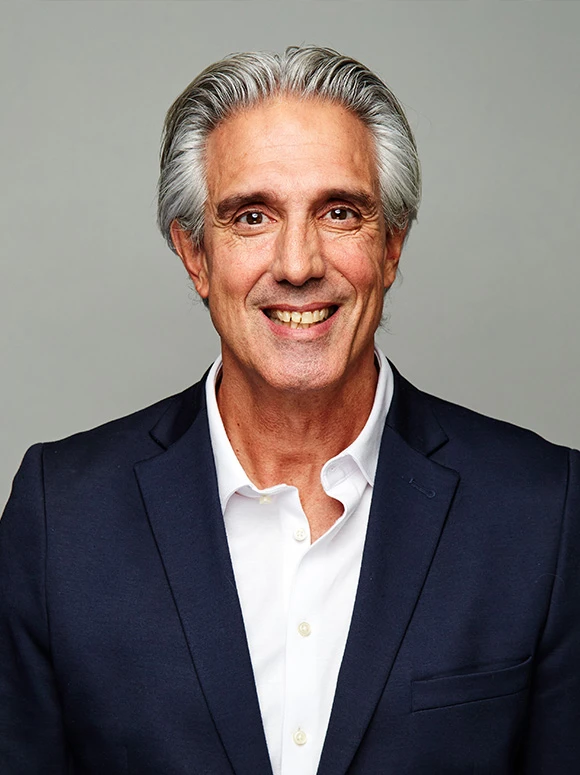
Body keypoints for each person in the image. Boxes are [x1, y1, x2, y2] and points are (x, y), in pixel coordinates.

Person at [0, 45, 578, 775]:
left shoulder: (545, 513)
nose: (299, 263)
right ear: (194, 254)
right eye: (252, 216)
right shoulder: (62, 517)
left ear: (392, 244)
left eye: (340, 212)